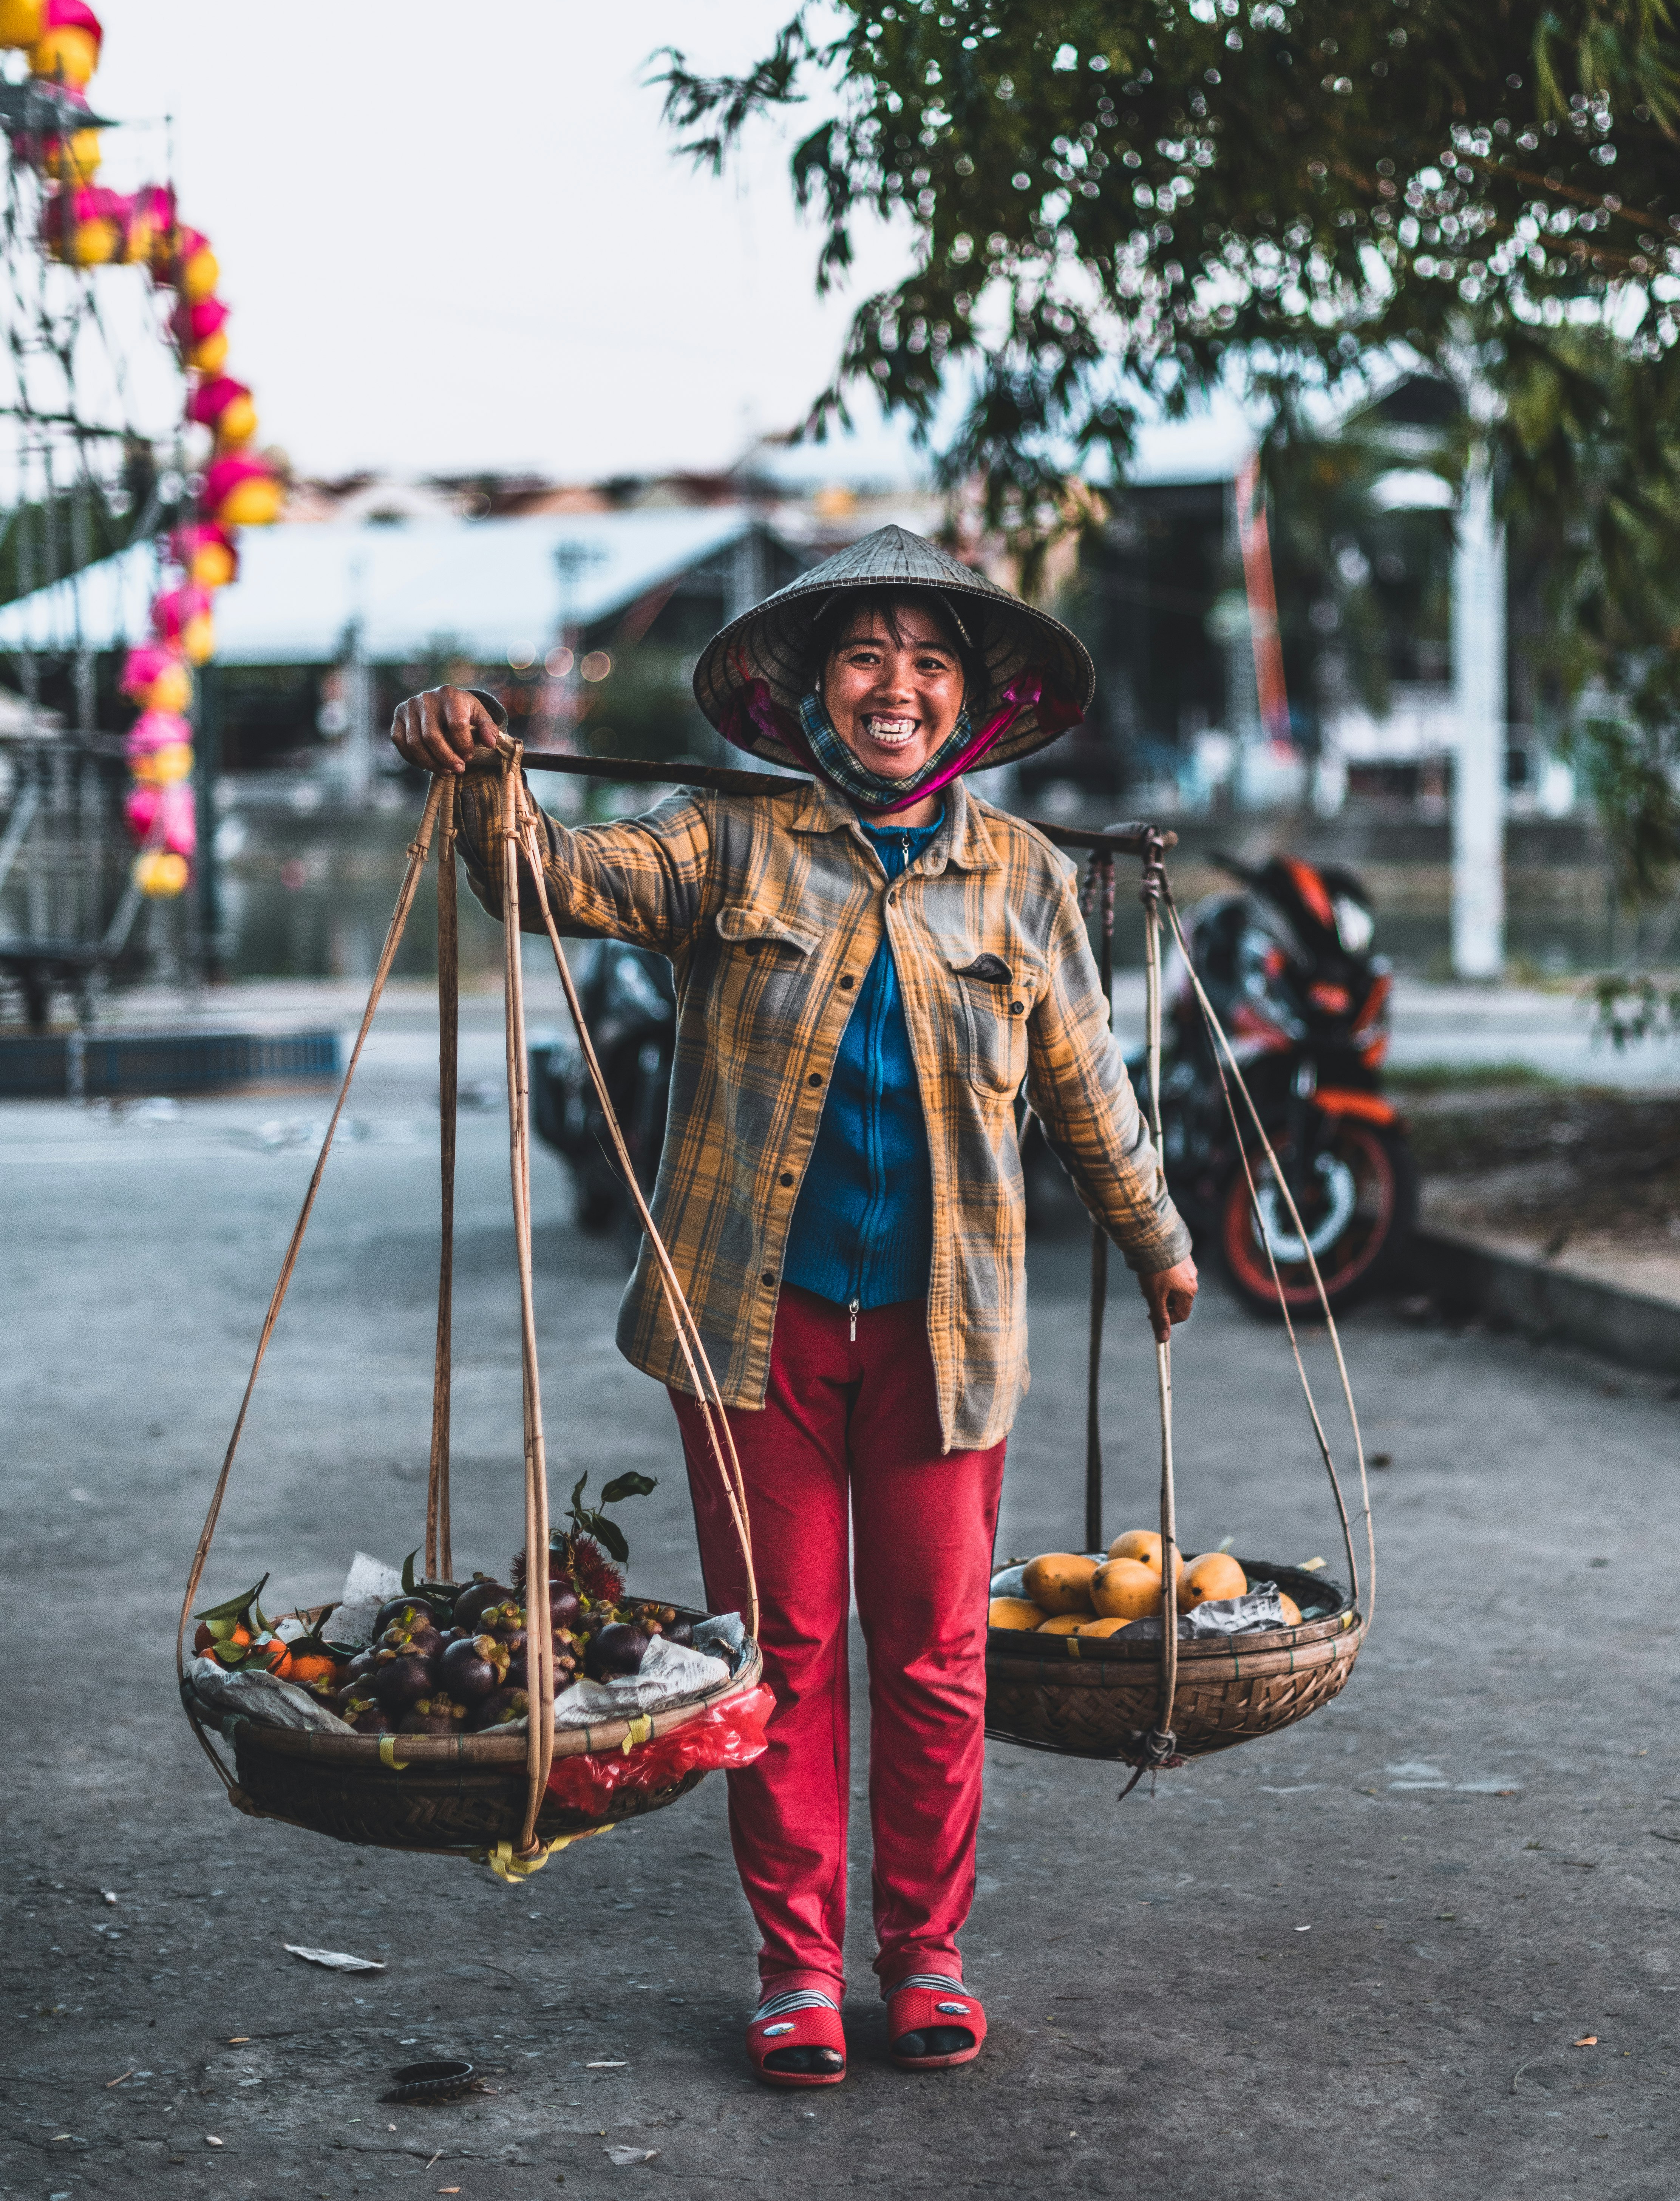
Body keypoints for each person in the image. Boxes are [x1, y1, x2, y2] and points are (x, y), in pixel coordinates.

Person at [391, 525, 1196, 2087]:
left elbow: (1089, 1087)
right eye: (863, 652)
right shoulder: (724, 845)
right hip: (744, 1330)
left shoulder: (1022, 880)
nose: (895, 685)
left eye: (930, 658)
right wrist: (479, 771)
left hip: (947, 1335)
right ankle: (799, 1965)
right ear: (810, 686)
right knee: (785, 1654)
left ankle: (927, 1951)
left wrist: (1158, 1235)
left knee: (938, 1654)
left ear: (969, 701)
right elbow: (552, 877)